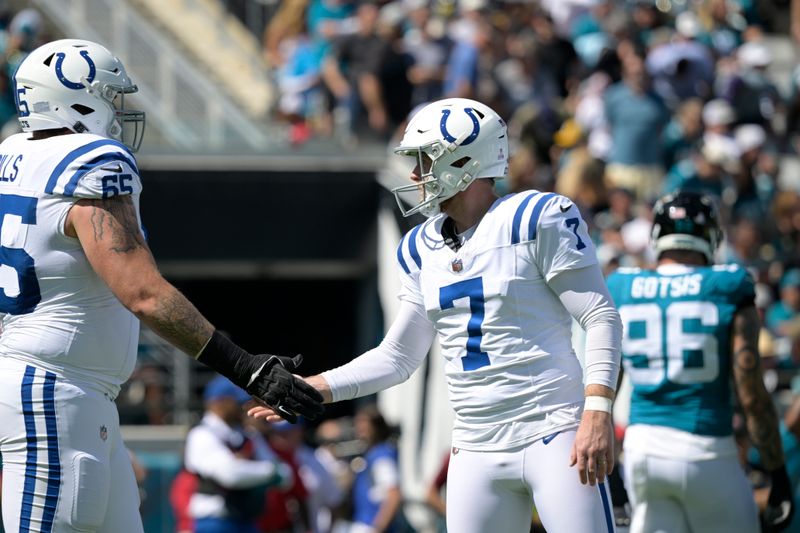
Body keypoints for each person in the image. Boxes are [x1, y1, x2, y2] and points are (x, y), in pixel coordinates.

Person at [251, 97, 623, 533]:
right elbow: (398, 357)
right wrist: (312, 387)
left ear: (465, 161)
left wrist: (597, 412)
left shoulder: (535, 218)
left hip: (553, 431)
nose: (414, 175)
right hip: (474, 446)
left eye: (425, 161)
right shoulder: (419, 247)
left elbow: (599, 315)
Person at [0, 38, 323, 532]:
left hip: (67, 389)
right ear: (77, 101)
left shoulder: (14, 154)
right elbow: (144, 294)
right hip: (55, 391)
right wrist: (246, 368)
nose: (118, 111)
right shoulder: (91, 161)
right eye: (108, 96)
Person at [606, 191, 794, 533]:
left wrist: (611, 477)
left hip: (642, 450)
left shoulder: (621, 285)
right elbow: (751, 394)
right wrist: (777, 471)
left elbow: (603, 388)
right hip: (706, 448)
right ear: (710, 236)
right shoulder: (728, 283)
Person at [185, 376, 294, 533]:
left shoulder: (248, 435)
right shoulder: (201, 435)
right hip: (214, 523)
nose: (244, 407)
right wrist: (269, 471)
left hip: (248, 521)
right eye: (237, 402)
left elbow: (286, 476)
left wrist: (251, 468)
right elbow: (230, 475)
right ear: (218, 403)